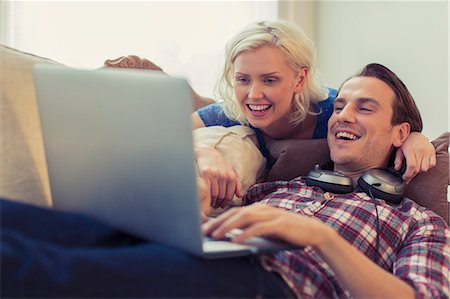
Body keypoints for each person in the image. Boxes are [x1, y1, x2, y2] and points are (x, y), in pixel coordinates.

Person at [1, 63, 448, 298]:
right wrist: (188, 197)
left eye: (365, 108)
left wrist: (323, 239)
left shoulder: (419, 222)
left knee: (35, 267)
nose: (343, 115)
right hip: (192, 248)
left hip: (261, 284)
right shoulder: (277, 186)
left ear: (400, 134)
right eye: (341, 105)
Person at [191, 20, 436, 208]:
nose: (254, 94)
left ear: (300, 79)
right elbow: (162, 133)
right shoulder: (231, 110)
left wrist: (414, 136)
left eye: (270, 80)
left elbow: (381, 125)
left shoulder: (334, 110)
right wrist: (202, 151)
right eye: (243, 79)